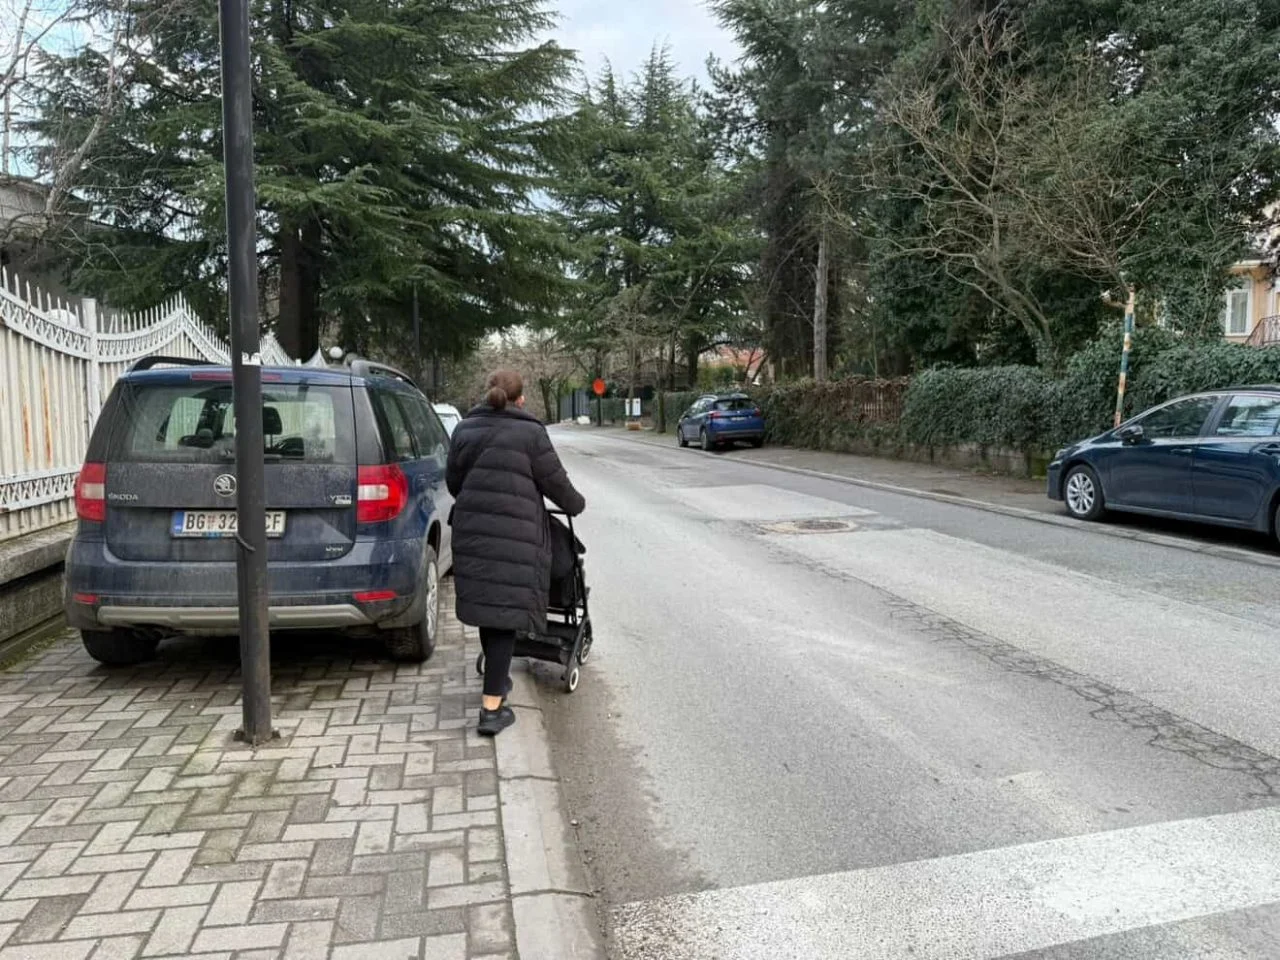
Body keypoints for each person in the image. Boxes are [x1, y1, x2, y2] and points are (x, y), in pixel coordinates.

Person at [446, 369, 586, 736]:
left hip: (473, 533)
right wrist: (576, 504)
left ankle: (497, 685)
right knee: (504, 616)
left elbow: (454, 483)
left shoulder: (465, 429)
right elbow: (556, 483)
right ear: (521, 398)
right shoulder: (530, 433)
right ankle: (492, 708)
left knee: (488, 610)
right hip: (515, 536)